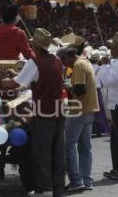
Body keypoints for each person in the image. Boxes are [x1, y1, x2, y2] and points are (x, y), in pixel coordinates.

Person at [2, 28, 65, 197]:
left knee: (42, 153)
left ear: (34, 47)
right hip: (59, 112)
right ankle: (58, 188)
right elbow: (39, 80)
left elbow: (15, 85)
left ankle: (45, 189)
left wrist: (4, 80)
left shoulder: (34, 62)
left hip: (44, 114)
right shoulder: (57, 60)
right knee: (58, 152)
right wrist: (18, 75)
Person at [58, 47, 99, 192]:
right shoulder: (85, 62)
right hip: (89, 110)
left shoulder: (78, 65)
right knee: (85, 147)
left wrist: (66, 87)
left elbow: (80, 90)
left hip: (80, 110)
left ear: (68, 57)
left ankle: (76, 180)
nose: (65, 65)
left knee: (69, 143)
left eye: (64, 61)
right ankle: (87, 180)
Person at [98, 32, 118, 180]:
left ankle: (117, 169)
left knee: (116, 139)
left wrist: (104, 66)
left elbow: (108, 82)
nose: (110, 49)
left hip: (116, 104)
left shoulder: (116, 63)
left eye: (112, 47)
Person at [88, 50, 110, 136]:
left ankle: (93, 129)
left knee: (91, 110)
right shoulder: (101, 68)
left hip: (90, 90)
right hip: (98, 90)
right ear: (98, 59)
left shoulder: (88, 66)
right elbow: (103, 81)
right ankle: (101, 129)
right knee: (100, 110)